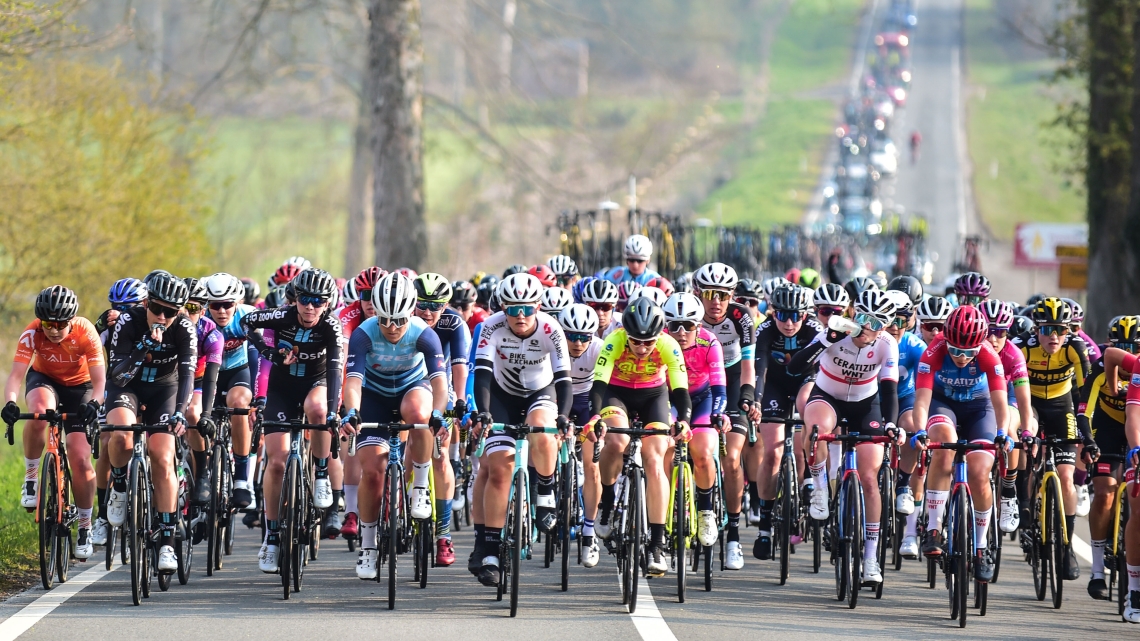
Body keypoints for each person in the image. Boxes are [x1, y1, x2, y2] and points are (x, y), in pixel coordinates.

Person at [340, 272, 450, 579]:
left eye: (399, 320)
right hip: (374, 396)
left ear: (411, 311)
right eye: (385, 320)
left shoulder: (424, 333)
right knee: (373, 471)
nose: (392, 328)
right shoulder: (364, 333)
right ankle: (368, 546)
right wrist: (351, 412)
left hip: (411, 389)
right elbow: (353, 383)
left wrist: (438, 413)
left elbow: (440, 384)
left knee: (420, 411)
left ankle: (420, 488)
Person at [788, 289, 901, 584]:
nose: (866, 327)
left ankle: (871, 558)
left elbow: (889, 389)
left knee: (869, 477)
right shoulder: (835, 331)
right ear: (852, 313)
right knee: (814, 432)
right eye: (862, 317)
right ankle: (821, 489)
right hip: (828, 396)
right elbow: (795, 367)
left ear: (885, 327)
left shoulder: (888, 344)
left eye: (875, 323)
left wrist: (890, 424)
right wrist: (826, 340)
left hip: (867, 404)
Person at [469, 274, 573, 586]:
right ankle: (489, 550)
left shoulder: (550, 329)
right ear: (503, 308)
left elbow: (564, 379)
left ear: (538, 307)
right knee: (499, 469)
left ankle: (545, 490)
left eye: (527, 309)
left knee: (542, 428)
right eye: (513, 310)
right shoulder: (492, 326)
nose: (521, 316)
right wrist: (484, 412)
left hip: (541, 393)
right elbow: (483, 375)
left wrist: (565, 416)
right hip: (502, 397)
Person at [241, 268, 344, 574]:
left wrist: (335, 410)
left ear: (327, 303)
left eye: (318, 301)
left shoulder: (331, 326)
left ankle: (322, 472)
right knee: (276, 462)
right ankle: (272, 537)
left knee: (319, 410)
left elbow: (336, 369)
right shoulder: (280, 316)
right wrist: (269, 352)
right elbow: (247, 323)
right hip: (282, 390)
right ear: (294, 298)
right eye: (304, 299)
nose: (310, 306)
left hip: (317, 384)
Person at [103, 272, 197, 573]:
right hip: (127, 387)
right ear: (146, 303)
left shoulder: (183, 328)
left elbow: (186, 376)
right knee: (120, 435)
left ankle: (167, 542)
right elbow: (117, 375)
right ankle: (118, 486)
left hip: (164, 391)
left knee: (162, 456)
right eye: (157, 309)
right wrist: (143, 347)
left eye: (171, 311)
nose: (162, 316)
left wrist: (181, 412)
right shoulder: (128, 322)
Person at [591, 297, 691, 576]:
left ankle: (656, 545)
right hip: (617, 393)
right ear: (626, 334)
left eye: (649, 342)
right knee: (616, 440)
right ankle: (608, 502)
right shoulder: (614, 340)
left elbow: (680, 389)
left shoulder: (668, 345)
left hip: (653, 396)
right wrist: (596, 417)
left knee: (655, 458)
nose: (643, 348)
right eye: (636, 341)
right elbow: (598, 383)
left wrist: (683, 421)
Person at [3, 286, 104, 560]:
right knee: (38, 412)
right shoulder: (32, 332)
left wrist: (93, 405)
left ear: (71, 320)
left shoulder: (85, 332)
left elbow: (100, 382)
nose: (54, 330)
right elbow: (14, 376)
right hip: (44, 380)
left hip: (80, 388)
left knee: (80, 457)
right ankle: (32, 476)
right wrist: (10, 403)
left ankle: (85, 525)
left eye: (60, 324)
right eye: (49, 324)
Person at [910, 305, 1009, 582]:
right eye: (956, 351)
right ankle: (933, 528)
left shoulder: (989, 354)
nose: (962, 357)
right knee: (944, 446)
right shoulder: (934, 351)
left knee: (979, 472)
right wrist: (920, 431)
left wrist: (1003, 431)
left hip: (980, 409)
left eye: (969, 352)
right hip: (945, 405)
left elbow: (1000, 402)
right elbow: (921, 401)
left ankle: (980, 548)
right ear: (946, 341)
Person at [1011, 297, 1095, 581]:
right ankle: (1024, 502)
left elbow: (1086, 391)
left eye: (1060, 329)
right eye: (1048, 330)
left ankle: (1067, 546)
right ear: (1037, 330)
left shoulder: (1074, 346)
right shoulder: (1023, 346)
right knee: (1027, 438)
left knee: (1066, 477)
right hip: (1031, 403)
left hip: (1062, 406)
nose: (1054, 336)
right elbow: (1012, 392)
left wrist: (1088, 431)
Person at [749, 284, 822, 563]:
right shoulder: (765, 331)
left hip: (806, 380)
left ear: (805, 315)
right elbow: (761, 370)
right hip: (775, 387)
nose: (789, 322)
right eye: (782, 315)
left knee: (807, 409)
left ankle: (811, 480)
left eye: (796, 316)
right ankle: (765, 526)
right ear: (773, 313)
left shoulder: (815, 329)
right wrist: (756, 402)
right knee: (773, 453)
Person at [693, 262, 756, 570]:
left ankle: (733, 534)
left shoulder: (741, 316)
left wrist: (747, 394)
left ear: (732, 295)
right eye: (708, 293)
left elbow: (748, 364)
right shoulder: (688, 315)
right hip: (696, 383)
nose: (715, 301)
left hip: (731, 382)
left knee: (731, 459)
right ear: (697, 294)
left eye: (723, 294)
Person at [412, 273, 472, 566]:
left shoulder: (454, 323)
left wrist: (459, 401)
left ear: (446, 305)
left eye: (435, 306)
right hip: (403, 385)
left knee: (439, 453)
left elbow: (460, 367)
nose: (427, 311)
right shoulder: (402, 321)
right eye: (422, 304)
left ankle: (444, 534)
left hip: (439, 387)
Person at [1080, 315, 1139, 600]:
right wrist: (1088, 441)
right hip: (1107, 429)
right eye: (1121, 345)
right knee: (1105, 493)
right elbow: (1084, 411)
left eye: (1134, 345)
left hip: (1136, 427)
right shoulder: (1102, 366)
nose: (1128, 351)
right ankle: (1097, 570)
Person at [663, 292, 727, 554]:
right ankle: (664, 503)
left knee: (702, 451)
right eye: (673, 325)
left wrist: (719, 414)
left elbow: (720, 387)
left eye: (688, 325)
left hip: (702, 399)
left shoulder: (710, 342)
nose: (680, 332)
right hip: (669, 400)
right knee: (664, 446)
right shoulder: (659, 343)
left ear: (698, 326)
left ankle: (706, 512)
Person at [203, 273, 261, 513]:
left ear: (237, 303)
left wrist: (257, 397)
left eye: (227, 305)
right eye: (215, 305)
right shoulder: (200, 318)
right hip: (207, 375)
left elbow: (260, 354)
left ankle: (240, 479)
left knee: (238, 404)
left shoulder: (248, 316)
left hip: (238, 372)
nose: (222, 311)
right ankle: (199, 475)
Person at [337, 266, 386, 545]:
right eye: (363, 294)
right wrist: (344, 406)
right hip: (358, 382)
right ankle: (353, 511)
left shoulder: (400, 314)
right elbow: (342, 361)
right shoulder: (350, 315)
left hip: (394, 382)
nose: (368, 301)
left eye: (374, 294)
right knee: (352, 443)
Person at [558, 304, 605, 567]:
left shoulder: (599, 348)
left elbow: (605, 386)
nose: (577, 343)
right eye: (572, 336)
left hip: (588, 399)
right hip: (558, 393)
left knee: (592, 467)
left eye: (584, 337)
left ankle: (589, 531)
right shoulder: (553, 344)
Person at [881, 290, 927, 558]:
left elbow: (927, 385)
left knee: (912, 425)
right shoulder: (873, 340)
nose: (897, 327)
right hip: (875, 398)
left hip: (905, 396)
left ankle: (903, 483)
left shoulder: (915, 346)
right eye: (891, 320)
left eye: (903, 319)